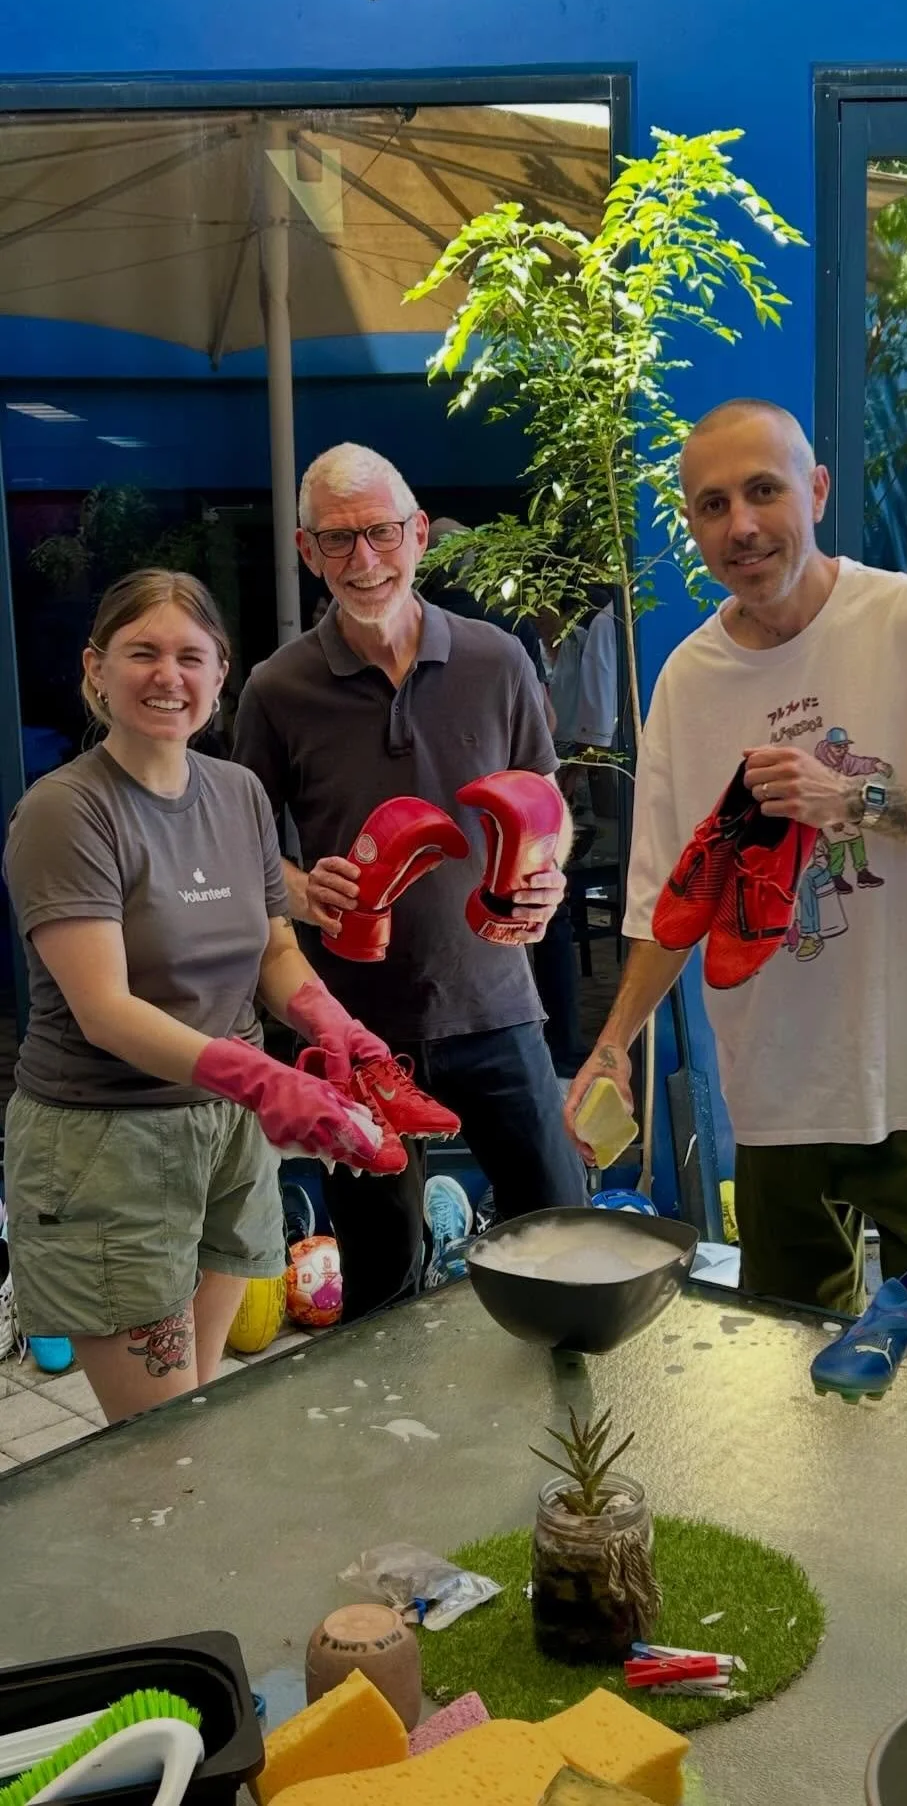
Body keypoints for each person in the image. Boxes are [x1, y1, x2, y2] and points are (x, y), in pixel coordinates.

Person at [564, 399, 907, 1338]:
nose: (740, 525)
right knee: (786, 1369)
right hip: (781, 1090)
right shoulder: (688, 680)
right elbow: (671, 894)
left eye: (762, 491)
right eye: (712, 506)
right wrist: (612, 1044)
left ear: (817, 489)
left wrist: (861, 801)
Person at [2, 570, 389, 1423]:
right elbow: (103, 1010)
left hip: (225, 1134)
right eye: (142, 653)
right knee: (159, 1441)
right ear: (96, 669)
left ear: (221, 676)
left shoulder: (238, 793)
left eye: (190, 655)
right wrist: (268, 1080)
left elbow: (275, 947)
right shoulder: (66, 812)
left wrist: (332, 1022)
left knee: (197, 1416)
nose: (167, 676)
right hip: (110, 1143)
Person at [232, 444, 587, 1322]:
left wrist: (549, 876)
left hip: (496, 1003)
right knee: (382, 1275)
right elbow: (245, 850)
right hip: (357, 1029)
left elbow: (546, 804)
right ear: (307, 552)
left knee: (559, 1235)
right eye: (338, 541)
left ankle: (566, 1426)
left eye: (381, 534)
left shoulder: (497, 659)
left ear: (418, 534)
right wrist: (299, 886)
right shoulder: (277, 690)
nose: (364, 561)